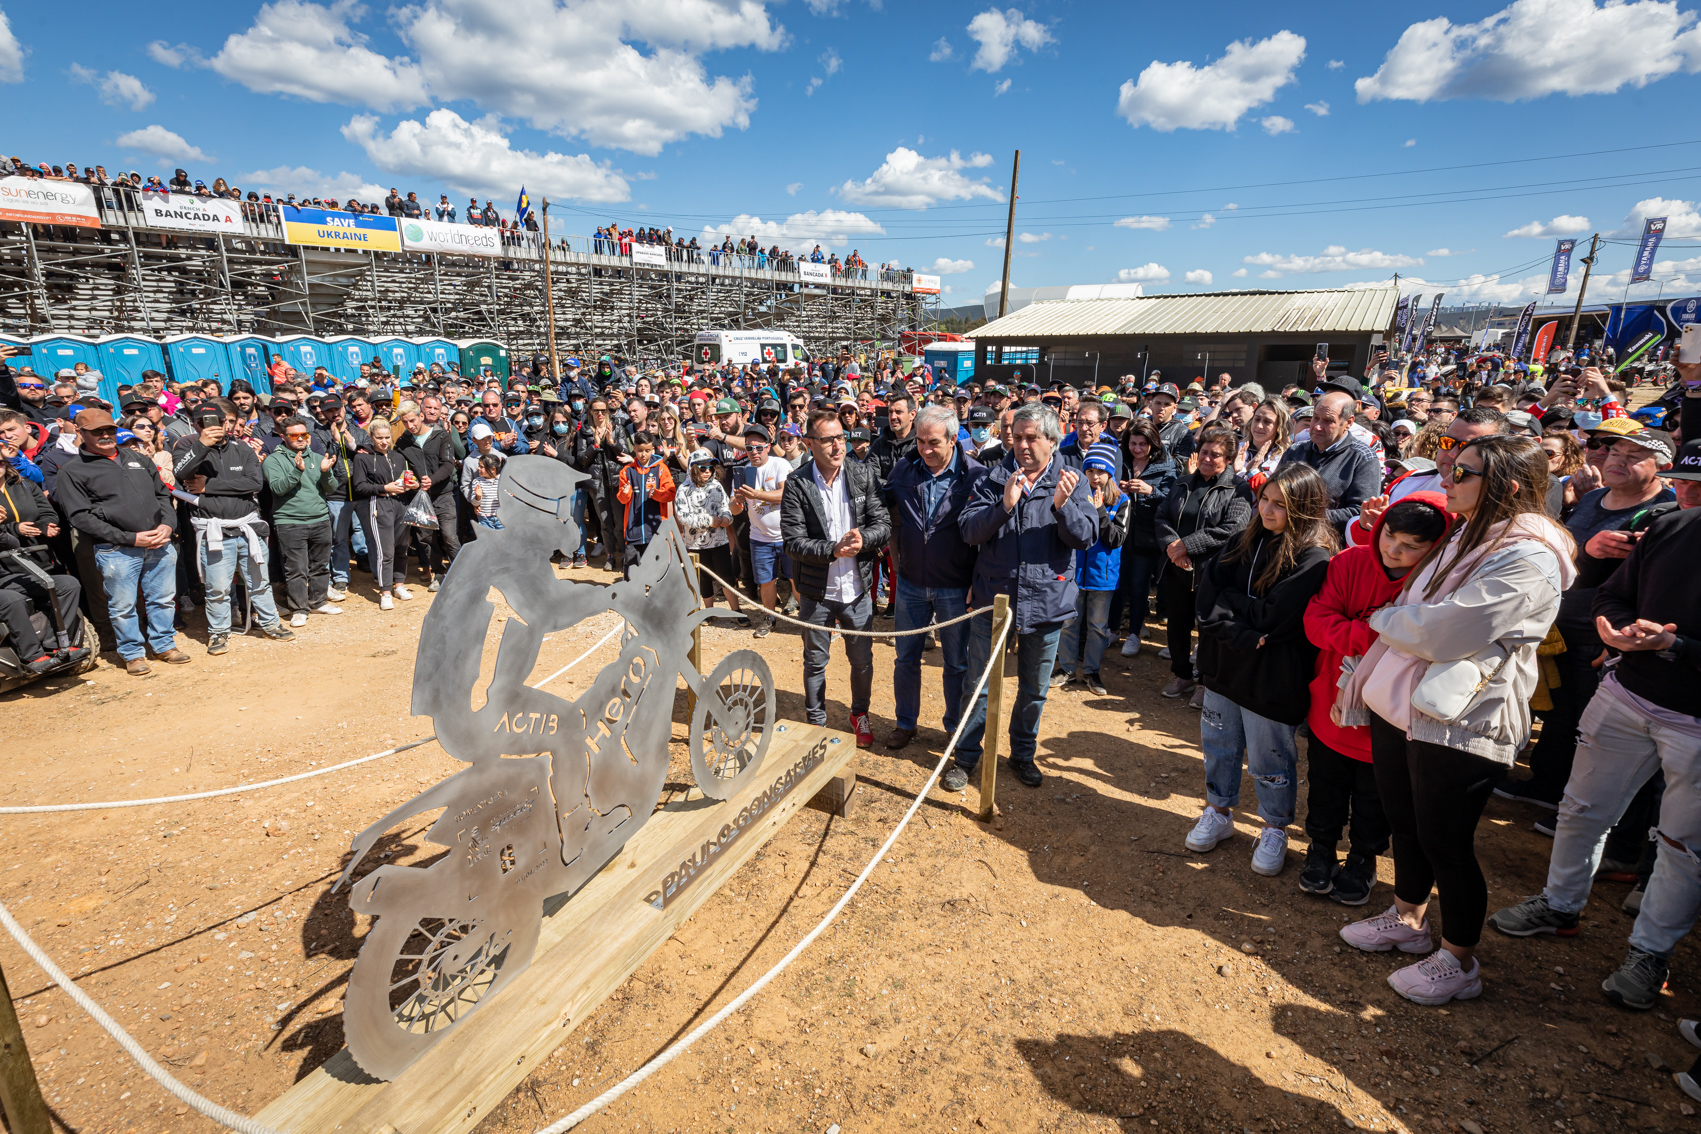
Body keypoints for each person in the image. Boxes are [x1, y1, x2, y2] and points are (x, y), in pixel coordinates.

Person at [1336, 436, 1574, 1006]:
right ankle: (1407, 917)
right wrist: (1405, 619)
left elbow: (1451, 629)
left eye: (1462, 470)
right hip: (1406, 701)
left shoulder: (1531, 555)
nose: (1447, 475)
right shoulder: (1470, 531)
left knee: (1448, 838)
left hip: (1467, 714)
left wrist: (1390, 616)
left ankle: (1459, 958)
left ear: (1506, 487)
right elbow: (1427, 614)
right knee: (1406, 820)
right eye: (1450, 464)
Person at [1184, 464, 1336, 876]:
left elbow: (1275, 617)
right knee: (1219, 744)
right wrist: (1243, 629)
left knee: (1270, 758)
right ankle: (1218, 810)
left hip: (1271, 679)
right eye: (1264, 500)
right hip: (1224, 667)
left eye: (1279, 505)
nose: (1266, 511)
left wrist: (1231, 610)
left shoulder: (1314, 558)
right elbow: (1208, 594)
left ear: (1303, 509)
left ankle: (1274, 827)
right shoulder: (1243, 538)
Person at [1300, 494, 1451, 905]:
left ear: (1437, 547)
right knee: (1325, 785)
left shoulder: (1441, 585)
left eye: (1411, 546)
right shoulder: (1348, 563)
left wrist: (1364, 633)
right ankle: (1321, 848)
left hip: (1392, 714)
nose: (1393, 550)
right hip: (1332, 704)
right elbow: (1316, 621)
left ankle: (1364, 858)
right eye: (1389, 535)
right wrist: (1378, 636)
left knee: (1377, 795)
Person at [945, 403, 1099, 792]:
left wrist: (1063, 510)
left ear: (1053, 439)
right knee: (978, 684)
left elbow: (1085, 537)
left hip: (1047, 600)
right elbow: (968, 531)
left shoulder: (1073, 480)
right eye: (1017, 437)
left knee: (1034, 688)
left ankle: (1023, 754)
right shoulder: (994, 477)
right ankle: (965, 757)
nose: (1023, 445)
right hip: (993, 600)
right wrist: (1004, 505)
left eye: (1033, 438)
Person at [780, 409, 892, 747]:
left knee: (862, 661)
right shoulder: (797, 482)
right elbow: (792, 541)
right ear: (809, 444)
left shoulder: (862, 474)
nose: (837, 446)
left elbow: (883, 524)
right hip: (816, 590)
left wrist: (864, 541)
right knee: (815, 661)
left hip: (857, 588)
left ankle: (859, 713)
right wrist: (833, 549)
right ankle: (816, 721)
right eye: (828, 439)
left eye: (840, 438)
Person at [881, 405, 986, 750]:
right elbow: (883, 505)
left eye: (934, 443)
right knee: (905, 658)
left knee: (956, 663)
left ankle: (954, 728)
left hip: (955, 586)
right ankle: (905, 723)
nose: (926, 449)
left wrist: (978, 580)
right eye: (921, 441)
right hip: (911, 582)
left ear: (954, 440)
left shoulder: (976, 476)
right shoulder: (905, 468)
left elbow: (988, 535)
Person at [53, 408, 187, 675]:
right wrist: (129, 538)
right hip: (116, 549)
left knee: (162, 599)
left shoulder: (139, 459)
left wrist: (167, 525)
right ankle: (133, 654)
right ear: (79, 433)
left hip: (158, 542)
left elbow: (163, 496)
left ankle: (163, 644)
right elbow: (80, 517)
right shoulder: (72, 471)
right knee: (123, 606)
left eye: (109, 430)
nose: (105, 435)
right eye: (97, 431)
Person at [173, 402, 294, 655]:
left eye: (218, 421)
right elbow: (181, 474)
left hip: (246, 527)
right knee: (217, 589)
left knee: (260, 583)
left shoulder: (242, 448)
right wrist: (202, 445)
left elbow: (254, 483)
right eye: (203, 423)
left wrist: (209, 487)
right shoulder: (188, 446)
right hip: (215, 532)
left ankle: (271, 624)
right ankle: (218, 633)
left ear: (226, 422)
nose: (214, 427)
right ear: (195, 425)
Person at [1152, 425, 1252, 703]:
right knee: (1178, 625)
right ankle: (1182, 674)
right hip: (1177, 569)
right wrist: (1175, 548)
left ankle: (1205, 682)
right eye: (1204, 452)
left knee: (1208, 629)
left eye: (1216, 455)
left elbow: (1232, 528)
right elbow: (1161, 517)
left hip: (1214, 572)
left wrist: (1188, 545)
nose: (1207, 458)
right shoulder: (1183, 482)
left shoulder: (1238, 489)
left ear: (1229, 459)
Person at [1053, 443, 1130, 695]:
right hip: (1073, 572)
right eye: (1090, 471)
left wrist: (1099, 512)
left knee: (1098, 626)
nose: (1095, 477)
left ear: (1110, 473)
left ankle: (1091, 671)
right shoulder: (1074, 494)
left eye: (1101, 471)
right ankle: (1065, 668)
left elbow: (1116, 539)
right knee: (1068, 622)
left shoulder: (1122, 500)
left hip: (1103, 576)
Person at [0, 454, 87, 674]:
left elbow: (47, 513)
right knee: (11, 599)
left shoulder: (25, 486)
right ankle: (33, 657)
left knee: (67, 583)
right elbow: (7, 539)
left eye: (0, 462)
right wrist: (12, 529)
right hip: (4, 575)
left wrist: (42, 525)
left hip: (31, 563)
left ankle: (61, 646)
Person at [262, 417, 341, 628]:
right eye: (294, 435)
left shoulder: (317, 457)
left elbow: (331, 488)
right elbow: (278, 489)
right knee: (296, 569)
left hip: (320, 519)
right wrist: (297, 470)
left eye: (304, 435)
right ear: (283, 437)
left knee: (320, 566)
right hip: (290, 522)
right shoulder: (274, 460)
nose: (300, 439)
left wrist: (325, 472)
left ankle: (319, 601)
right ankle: (299, 609)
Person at [1112, 420, 1177, 657]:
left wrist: (1150, 491)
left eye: (1143, 444)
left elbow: (1172, 500)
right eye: (1133, 443)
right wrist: (1116, 489)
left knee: (1139, 586)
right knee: (1117, 584)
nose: (1137, 449)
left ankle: (1134, 633)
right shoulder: (1121, 461)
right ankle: (1112, 628)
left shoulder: (1165, 465)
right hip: (1120, 533)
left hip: (1147, 537)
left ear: (1153, 444)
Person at [1276, 390, 1381, 536]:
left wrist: (1306, 517)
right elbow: (1275, 492)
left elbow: (1360, 512)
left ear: (1348, 422)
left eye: (1328, 421)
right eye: (1316, 418)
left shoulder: (1362, 458)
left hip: (1327, 547)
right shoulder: (1295, 450)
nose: (1317, 426)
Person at [353, 417, 431, 611]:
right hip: (379, 504)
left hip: (401, 504)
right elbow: (359, 486)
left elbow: (406, 481)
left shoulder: (398, 457)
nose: (384, 441)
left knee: (402, 547)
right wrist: (383, 488)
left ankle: (399, 584)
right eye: (379, 437)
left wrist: (413, 486)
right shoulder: (362, 457)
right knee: (384, 550)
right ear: (371, 437)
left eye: (387, 437)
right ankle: (385, 591)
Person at [730, 423, 789, 638]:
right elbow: (734, 510)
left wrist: (756, 495)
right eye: (748, 448)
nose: (753, 452)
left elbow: (786, 494)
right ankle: (770, 618)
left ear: (768, 446)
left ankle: (809, 623)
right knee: (766, 582)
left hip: (788, 536)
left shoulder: (780, 464)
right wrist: (738, 501)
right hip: (760, 537)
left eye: (758, 447)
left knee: (796, 580)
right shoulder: (743, 471)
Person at [675, 449, 741, 616]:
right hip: (695, 544)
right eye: (702, 468)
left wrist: (727, 518)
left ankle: (736, 611)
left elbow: (725, 507)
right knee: (704, 579)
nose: (707, 471)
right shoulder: (683, 489)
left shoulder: (716, 486)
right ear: (693, 468)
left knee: (726, 576)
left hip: (719, 541)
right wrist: (709, 520)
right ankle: (708, 613)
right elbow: (683, 516)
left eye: (710, 467)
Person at [615, 431, 676, 574]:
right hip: (632, 529)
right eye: (640, 451)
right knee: (632, 569)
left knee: (657, 569)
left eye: (647, 451)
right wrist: (625, 492)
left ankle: (657, 594)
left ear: (653, 449)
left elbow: (670, 494)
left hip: (655, 528)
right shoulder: (627, 471)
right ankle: (633, 595)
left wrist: (657, 494)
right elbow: (622, 499)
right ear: (634, 449)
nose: (643, 454)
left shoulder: (661, 469)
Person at [470, 452, 505, 529]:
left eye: (481, 467)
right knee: (487, 540)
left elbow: (508, 501)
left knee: (502, 539)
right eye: (478, 465)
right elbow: (474, 503)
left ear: (493, 469)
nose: (478, 468)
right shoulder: (477, 482)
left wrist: (504, 496)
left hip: (502, 518)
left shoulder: (503, 481)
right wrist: (478, 497)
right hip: (484, 519)